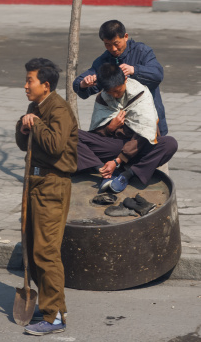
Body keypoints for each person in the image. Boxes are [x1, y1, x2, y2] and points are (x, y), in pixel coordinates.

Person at [15, 58, 77, 335]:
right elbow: (23, 144)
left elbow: (54, 146)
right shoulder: (35, 107)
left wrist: (36, 124)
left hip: (52, 185)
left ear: (46, 85)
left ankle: (54, 317)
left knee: (46, 251)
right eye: (27, 80)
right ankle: (48, 306)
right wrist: (24, 126)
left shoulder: (59, 109)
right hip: (35, 181)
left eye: (30, 81)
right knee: (32, 247)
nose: (25, 85)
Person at [76, 63, 178, 194]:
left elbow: (144, 133)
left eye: (118, 90)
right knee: (71, 134)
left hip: (138, 148)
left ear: (125, 80)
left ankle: (128, 174)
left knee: (169, 143)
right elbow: (97, 133)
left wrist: (118, 160)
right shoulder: (103, 98)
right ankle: (104, 172)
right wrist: (110, 128)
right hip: (113, 146)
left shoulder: (141, 93)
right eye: (110, 92)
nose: (115, 95)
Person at [73, 20, 168, 136]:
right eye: (107, 44)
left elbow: (157, 74)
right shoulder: (104, 60)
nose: (113, 49)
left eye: (116, 43)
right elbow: (79, 83)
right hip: (120, 127)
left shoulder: (142, 51)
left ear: (126, 37)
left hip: (148, 117)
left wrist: (134, 70)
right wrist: (83, 83)